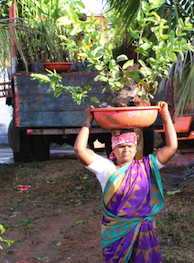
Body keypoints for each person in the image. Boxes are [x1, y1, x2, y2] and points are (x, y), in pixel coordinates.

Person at [74, 101, 177, 263]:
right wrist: (88, 121)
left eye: (130, 146)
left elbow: (172, 147)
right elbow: (80, 150)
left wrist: (165, 116)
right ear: (113, 150)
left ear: (136, 148)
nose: (126, 150)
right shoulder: (107, 169)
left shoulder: (146, 166)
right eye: (121, 146)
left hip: (143, 233)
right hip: (117, 234)